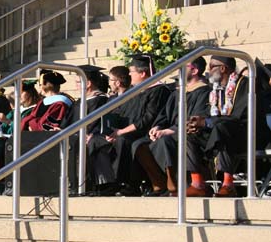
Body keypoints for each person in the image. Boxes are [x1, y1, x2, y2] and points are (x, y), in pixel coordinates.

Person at [185, 55, 271, 197]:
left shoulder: (246, 85)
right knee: (190, 131)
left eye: (211, 67)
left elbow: (238, 116)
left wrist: (206, 122)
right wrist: (199, 122)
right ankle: (198, 183)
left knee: (223, 128)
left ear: (223, 68)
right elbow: (212, 115)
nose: (208, 71)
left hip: (249, 135)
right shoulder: (216, 90)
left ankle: (228, 185)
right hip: (224, 132)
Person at [87, 55, 171, 195]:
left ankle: (124, 183)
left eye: (132, 72)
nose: (129, 75)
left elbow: (147, 119)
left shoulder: (158, 90)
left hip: (145, 132)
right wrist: (112, 132)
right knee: (96, 140)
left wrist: (120, 132)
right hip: (129, 130)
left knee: (123, 140)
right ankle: (104, 183)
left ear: (143, 73)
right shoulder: (136, 92)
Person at [131, 57, 210, 196]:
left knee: (164, 141)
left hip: (189, 133)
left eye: (184, 66)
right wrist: (158, 126)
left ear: (195, 70)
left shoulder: (204, 92)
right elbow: (165, 115)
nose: (179, 69)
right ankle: (159, 183)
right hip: (171, 131)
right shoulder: (177, 93)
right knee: (138, 145)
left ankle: (173, 183)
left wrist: (170, 130)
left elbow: (195, 121)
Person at [64, 65, 110, 192]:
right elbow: (67, 122)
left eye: (78, 82)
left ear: (88, 83)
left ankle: (83, 185)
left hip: (91, 137)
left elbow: (95, 124)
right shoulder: (78, 102)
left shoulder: (100, 100)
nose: (76, 85)